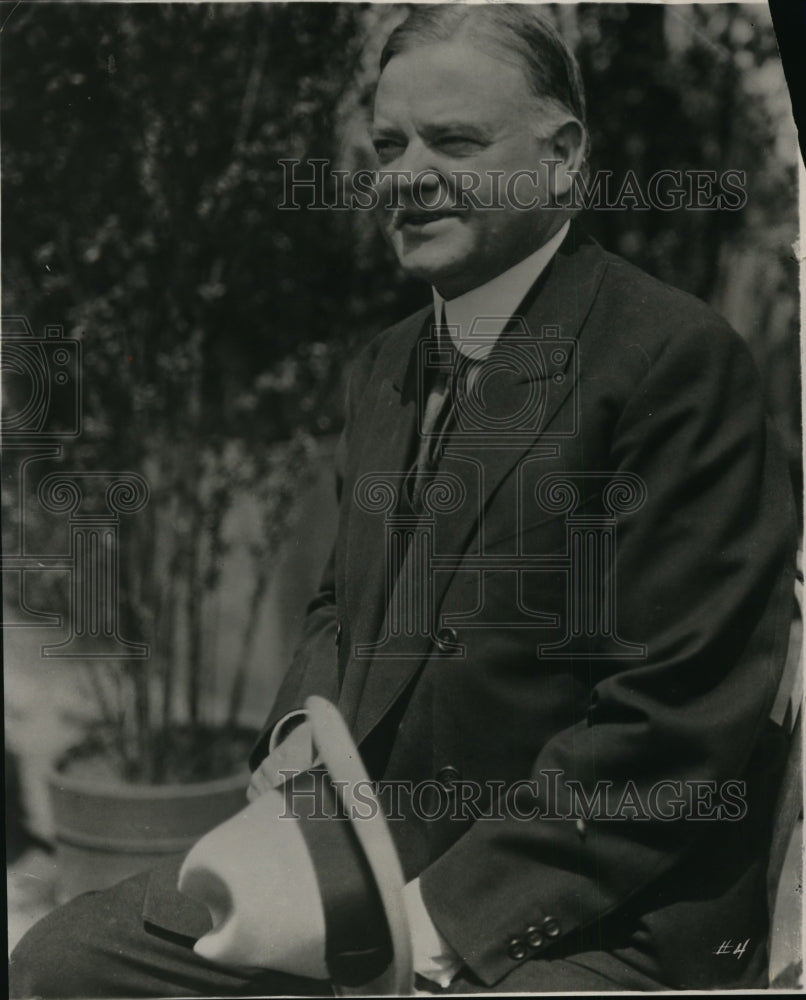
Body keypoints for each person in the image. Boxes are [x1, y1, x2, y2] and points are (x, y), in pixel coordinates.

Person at [10, 5, 798, 996]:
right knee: (61, 963)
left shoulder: (670, 362)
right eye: (389, 146)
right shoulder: (385, 365)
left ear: (562, 159)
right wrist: (300, 741)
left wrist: (430, 925)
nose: (407, 175)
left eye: (454, 142)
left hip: (586, 907)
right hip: (364, 868)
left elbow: (672, 722)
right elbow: (339, 607)